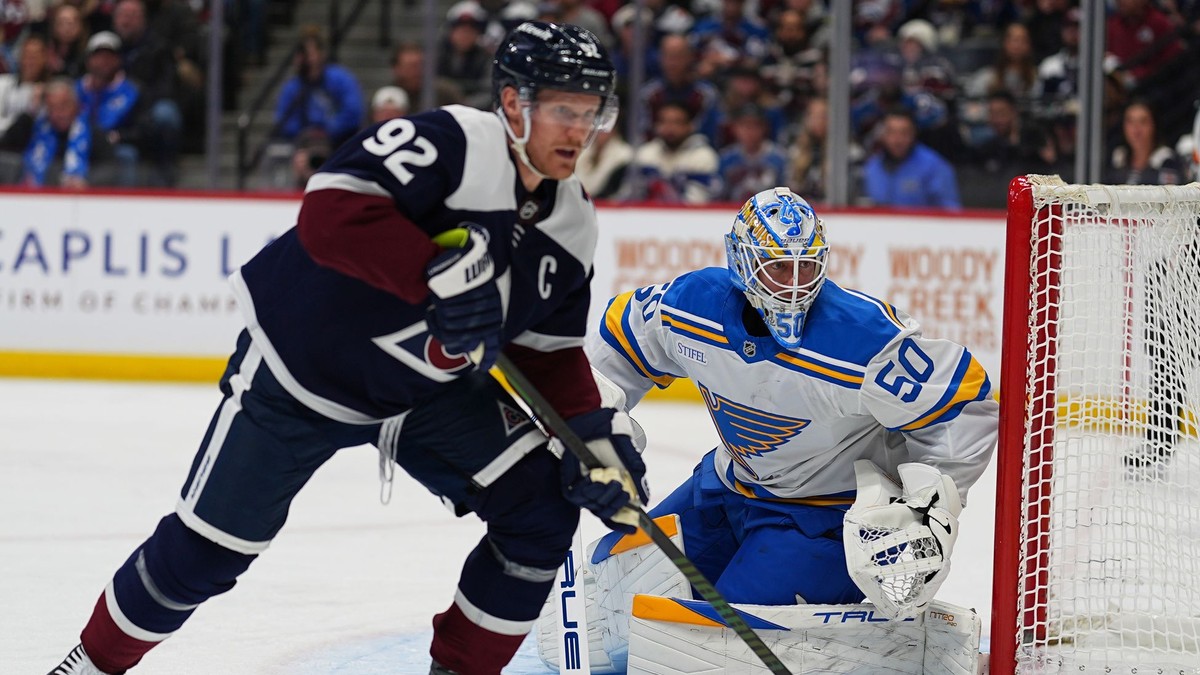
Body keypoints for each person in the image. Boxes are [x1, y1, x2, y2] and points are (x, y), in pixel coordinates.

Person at [48, 21, 648, 675]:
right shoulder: (452, 142)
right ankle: (89, 665)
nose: (580, 130)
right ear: (513, 103)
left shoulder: (572, 222)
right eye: (565, 109)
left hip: (427, 392)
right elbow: (331, 209)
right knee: (208, 551)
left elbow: (549, 353)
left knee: (540, 510)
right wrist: (431, 272)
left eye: (592, 113)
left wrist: (591, 438)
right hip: (304, 369)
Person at [566, 187, 998, 667]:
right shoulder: (690, 306)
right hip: (724, 489)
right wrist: (594, 428)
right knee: (608, 608)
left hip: (821, 519)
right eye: (778, 267)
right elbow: (618, 348)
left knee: (712, 655)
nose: (794, 284)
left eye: (807, 266)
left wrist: (926, 507)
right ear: (742, 262)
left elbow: (965, 406)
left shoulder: (861, 339)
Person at [861, 106, 961, 209]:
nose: (897, 140)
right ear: (883, 135)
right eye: (891, 132)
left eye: (904, 133)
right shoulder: (872, 167)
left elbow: (950, 213)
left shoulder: (935, 167)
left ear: (914, 133)